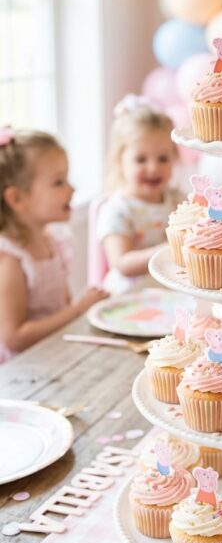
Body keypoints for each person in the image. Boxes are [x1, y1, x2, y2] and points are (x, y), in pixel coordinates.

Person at [0, 129, 106, 363]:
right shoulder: (11, 260)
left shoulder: (53, 241)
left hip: (56, 355)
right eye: (58, 182)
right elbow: (13, 337)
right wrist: (77, 310)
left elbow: (62, 307)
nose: (71, 189)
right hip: (23, 372)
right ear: (17, 199)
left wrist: (80, 310)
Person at [97, 96, 182, 293]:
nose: (153, 168)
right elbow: (122, 263)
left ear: (174, 157)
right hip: (130, 296)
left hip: (170, 289)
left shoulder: (179, 201)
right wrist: (169, 250)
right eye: (141, 159)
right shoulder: (117, 210)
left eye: (162, 158)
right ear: (119, 161)